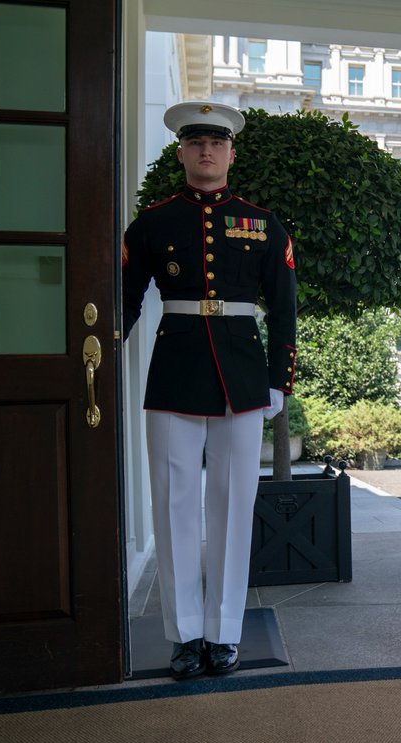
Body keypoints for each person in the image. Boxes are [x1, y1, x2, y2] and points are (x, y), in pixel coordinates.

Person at [121, 101, 297, 679]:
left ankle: (223, 635)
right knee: (173, 508)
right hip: (175, 372)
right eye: (195, 142)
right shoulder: (153, 222)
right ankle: (184, 636)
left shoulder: (262, 222)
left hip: (243, 377)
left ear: (230, 153)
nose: (206, 151)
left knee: (231, 506)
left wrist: (279, 379)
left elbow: (286, 308)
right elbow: (121, 300)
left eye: (216, 143)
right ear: (180, 152)